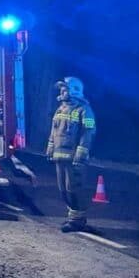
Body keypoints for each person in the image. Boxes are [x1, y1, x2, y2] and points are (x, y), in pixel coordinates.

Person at [46, 77, 97, 232]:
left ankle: (77, 220)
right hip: (59, 156)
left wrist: (81, 152)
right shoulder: (60, 109)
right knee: (63, 189)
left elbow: (89, 131)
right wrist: (50, 147)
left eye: (65, 89)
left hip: (74, 158)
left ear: (74, 91)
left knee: (73, 189)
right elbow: (54, 130)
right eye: (61, 89)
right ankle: (72, 217)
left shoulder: (84, 109)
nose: (61, 92)